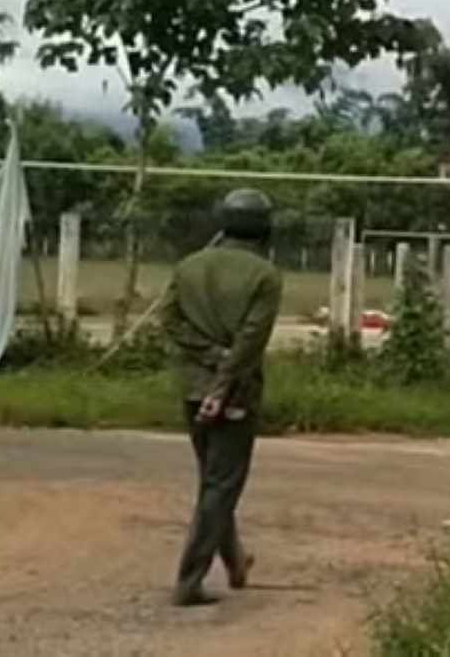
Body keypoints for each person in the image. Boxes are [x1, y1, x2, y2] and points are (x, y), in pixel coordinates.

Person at [150, 187, 283, 608]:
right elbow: (250, 342)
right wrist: (225, 376)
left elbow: (168, 319)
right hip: (235, 392)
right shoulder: (265, 276)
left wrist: (206, 355)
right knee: (221, 485)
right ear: (265, 228)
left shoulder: (190, 265)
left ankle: (236, 563)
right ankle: (189, 581)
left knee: (213, 480)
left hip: (192, 388)